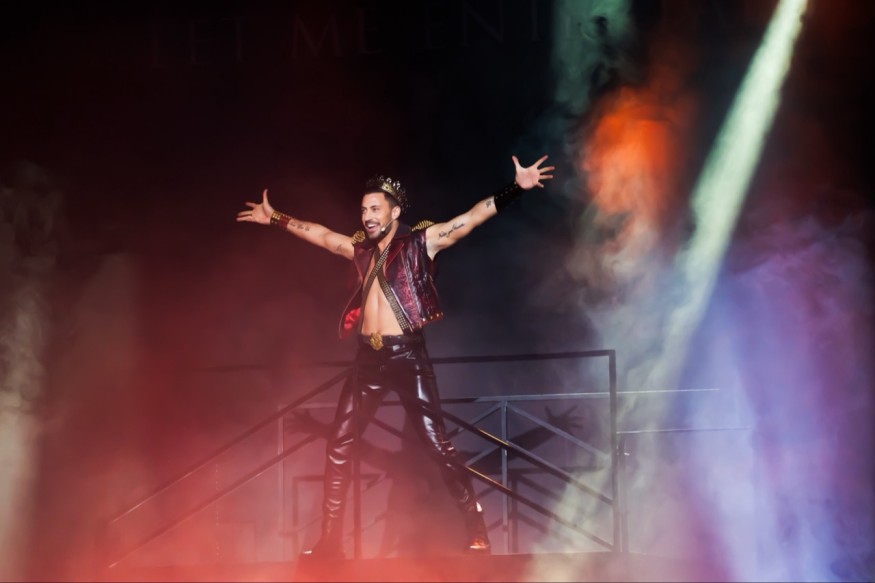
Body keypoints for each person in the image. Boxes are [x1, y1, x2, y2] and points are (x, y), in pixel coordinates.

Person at [236, 155, 554, 558]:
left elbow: (470, 219)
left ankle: (476, 524)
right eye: (363, 210)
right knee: (339, 445)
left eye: (375, 209)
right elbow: (322, 235)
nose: (367, 216)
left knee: (437, 445)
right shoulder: (360, 250)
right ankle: (329, 542)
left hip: (407, 357)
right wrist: (276, 218)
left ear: (394, 212)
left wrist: (514, 189)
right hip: (367, 361)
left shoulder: (422, 242)